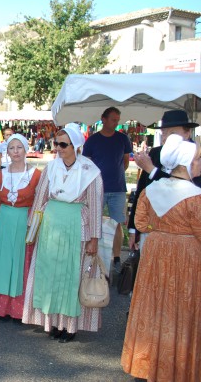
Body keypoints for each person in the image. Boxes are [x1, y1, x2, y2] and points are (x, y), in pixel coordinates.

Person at [121, 134, 201, 381]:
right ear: (187, 163)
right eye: (197, 159)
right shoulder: (196, 198)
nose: (199, 163)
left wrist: (163, 232)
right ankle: (176, 367)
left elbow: (141, 222)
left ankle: (148, 362)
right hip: (186, 255)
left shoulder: (151, 190)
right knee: (181, 309)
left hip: (155, 253)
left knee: (153, 306)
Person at [22, 123, 103, 343]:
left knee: (71, 277)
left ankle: (70, 326)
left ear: (76, 146)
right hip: (51, 227)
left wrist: (94, 239)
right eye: (56, 143)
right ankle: (53, 323)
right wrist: (33, 228)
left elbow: (95, 206)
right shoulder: (52, 167)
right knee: (50, 275)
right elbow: (40, 198)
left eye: (63, 144)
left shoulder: (91, 171)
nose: (58, 148)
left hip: (77, 227)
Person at [0, 134, 41, 322]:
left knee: (21, 263)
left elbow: (39, 203)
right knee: (4, 263)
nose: (15, 152)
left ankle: (18, 309)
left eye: (19, 147)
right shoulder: (0, 174)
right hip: (4, 221)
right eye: (12, 148)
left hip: (24, 220)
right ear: (7, 151)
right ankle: (2, 308)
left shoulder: (36, 174)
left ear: (26, 150)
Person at [128, 109, 200, 251]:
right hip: (152, 230)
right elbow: (143, 188)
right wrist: (132, 229)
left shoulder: (196, 157)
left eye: (172, 133)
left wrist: (152, 171)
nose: (166, 137)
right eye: (164, 133)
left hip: (184, 238)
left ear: (187, 133)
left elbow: (184, 187)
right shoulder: (156, 153)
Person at [82, 107, 132, 272]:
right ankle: (89, 255)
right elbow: (86, 165)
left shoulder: (123, 139)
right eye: (113, 119)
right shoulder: (92, 140)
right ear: (103, 119)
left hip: (117, 188)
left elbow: (125, 163)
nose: (116, 123)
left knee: (117, 223)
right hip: (97, 189)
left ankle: (116, 257)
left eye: (118, 120)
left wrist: (115, 175)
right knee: (92, 221)